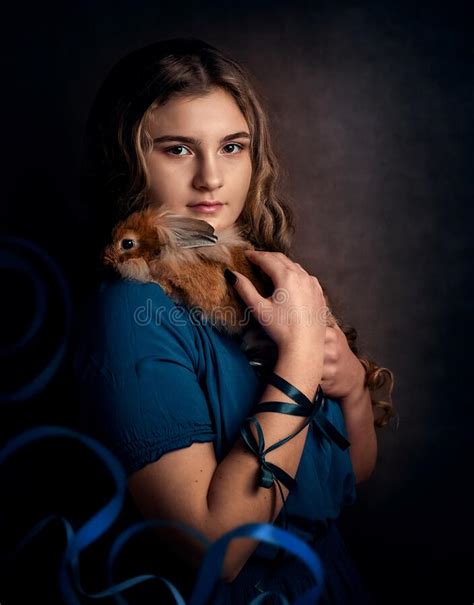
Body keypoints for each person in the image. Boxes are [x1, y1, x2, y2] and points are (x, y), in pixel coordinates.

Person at [74, 37, 395, 604]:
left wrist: (352, 389)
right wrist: (298, 359)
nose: (211, 179)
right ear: (127, 158)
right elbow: (215, 549)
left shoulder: (263, 280)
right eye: (177, 149)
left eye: (231, 146)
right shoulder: (132, 309)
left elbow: (351, 476)